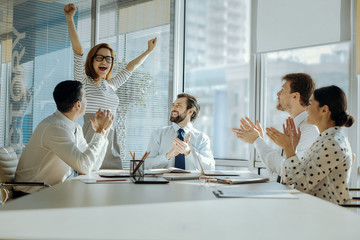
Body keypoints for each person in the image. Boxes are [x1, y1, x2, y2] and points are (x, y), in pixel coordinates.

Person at [64, 3, 157, 169]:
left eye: (108, 59)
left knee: (113, 179)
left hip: (110, 135)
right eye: (99, 57)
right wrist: (70, 19)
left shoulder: (110, 85)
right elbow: (78, 51)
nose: (104, 62)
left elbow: (130, 68)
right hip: (91, 133)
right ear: (91, 60)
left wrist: (148, 51)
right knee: (91, 176)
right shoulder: (83, 82)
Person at [14, 81, 114, 194]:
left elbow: (91, 166)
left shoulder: (75, 128)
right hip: (29, 195)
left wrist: (103, 133)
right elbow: (84, 166)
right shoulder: (53, 128)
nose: (88, 101)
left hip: (49, 192)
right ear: (78, 104)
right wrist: (99, 133)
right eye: (85, 97)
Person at [266, 85, 354, 204]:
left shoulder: (332, 144)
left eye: (310, 104)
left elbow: (299, 185)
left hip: (325, 213)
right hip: (311, 208)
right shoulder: (324, 139)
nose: (306, 109)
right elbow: (291, 178)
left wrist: (288, 149)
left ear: (324, 110)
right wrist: (293, 149)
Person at [232, 73, 319, 178]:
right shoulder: (293, 127)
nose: (277, 94)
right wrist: (258, 140)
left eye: (282, 90)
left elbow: (283, 169)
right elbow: (273, 164)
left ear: (295, 96)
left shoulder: (309, 130)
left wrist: (257, 140)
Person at [145, 93, 215, 171]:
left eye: (178, 106)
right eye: (173, 105)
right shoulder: (158, 134)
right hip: (164, 182)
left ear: (190, 112)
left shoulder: (202, 138)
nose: (173, 109)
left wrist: (189, 153)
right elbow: (146, 165)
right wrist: (167, 156)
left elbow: (210, 168)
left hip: (191, 183)